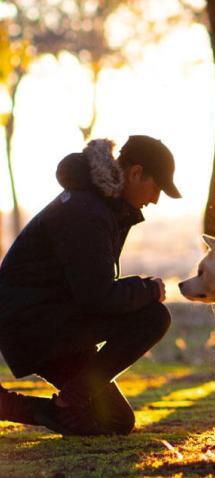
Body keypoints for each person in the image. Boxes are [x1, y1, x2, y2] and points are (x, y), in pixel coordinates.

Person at [0, 135, 181, 435]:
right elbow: (97, 297)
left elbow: (91, 291)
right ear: (135, 173)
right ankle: (72, 399)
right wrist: (147, 290)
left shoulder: (100, 206)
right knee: (153, 317)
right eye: (157, 187)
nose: (155, 199)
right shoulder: (87, 212)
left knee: (115, 421)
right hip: (35, 327)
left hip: (49, 323)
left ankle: (17, 405)